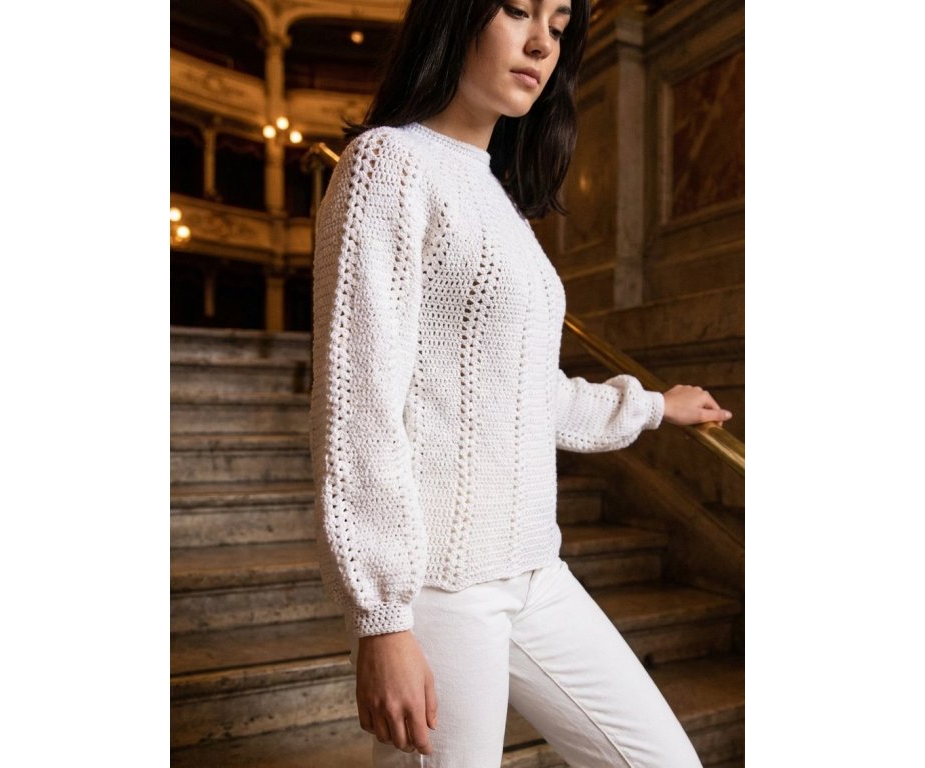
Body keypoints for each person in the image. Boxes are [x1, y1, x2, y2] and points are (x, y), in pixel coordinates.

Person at [308, 0, 733, 765]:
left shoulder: (501, 200)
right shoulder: (388, 163)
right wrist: (382, 618)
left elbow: (527, 396)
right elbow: (358, 408)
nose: (541, 43)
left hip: (535, 567)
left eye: (559, 26)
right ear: (456, 16)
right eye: (516, 10)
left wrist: (653, 407)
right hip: (438, 588)